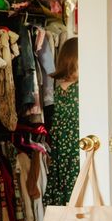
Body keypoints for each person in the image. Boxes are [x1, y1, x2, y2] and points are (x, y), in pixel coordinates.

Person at [43, 37, 79, 206]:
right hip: (70, 146)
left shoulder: (60, 88)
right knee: (73, 186)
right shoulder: (77, 88)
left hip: (65, 146)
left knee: (68, 186)